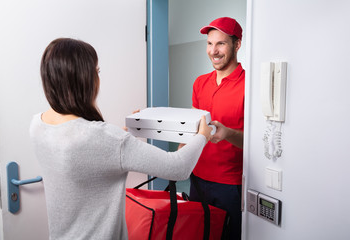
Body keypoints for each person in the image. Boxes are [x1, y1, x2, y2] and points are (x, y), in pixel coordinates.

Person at [30, 38, 212, 240]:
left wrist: (126, 137)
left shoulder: (38, 124)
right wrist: (202, 135)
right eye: (96, 72)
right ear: (84, 79)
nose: (98, 78)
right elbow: (178, 167)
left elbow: (86, 150)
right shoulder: (105, 139)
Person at [189, 17, 245, 240]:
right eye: (210, 44)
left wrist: (228, 133)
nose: (214, 51)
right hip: (197, 179)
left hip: (231, 185)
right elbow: (192, 131)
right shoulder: (200, 82)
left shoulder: (249, 85)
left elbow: (257, 141)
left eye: (221, 43)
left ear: (236, 44)